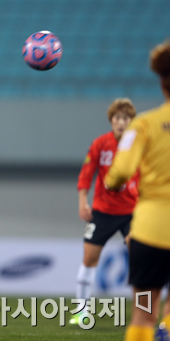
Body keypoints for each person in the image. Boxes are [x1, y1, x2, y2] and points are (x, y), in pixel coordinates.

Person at [104, 40, 170, 341]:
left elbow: (120, 172)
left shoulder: (143, 125)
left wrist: (112, 183)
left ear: (161, 81)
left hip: (149, 232)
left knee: (144, 311)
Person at [70, 98, 138, 325]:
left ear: (131, 121)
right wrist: (82, 201)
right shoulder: (100, 144)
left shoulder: (138, 146)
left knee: (142, 259)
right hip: (103, 211)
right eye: (117, 118)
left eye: (125, 118)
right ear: (111, 120)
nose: (121, 122)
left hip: (132, 212)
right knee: (89, 257)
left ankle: (143, 313)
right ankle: (81, 311)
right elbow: (86, 174)